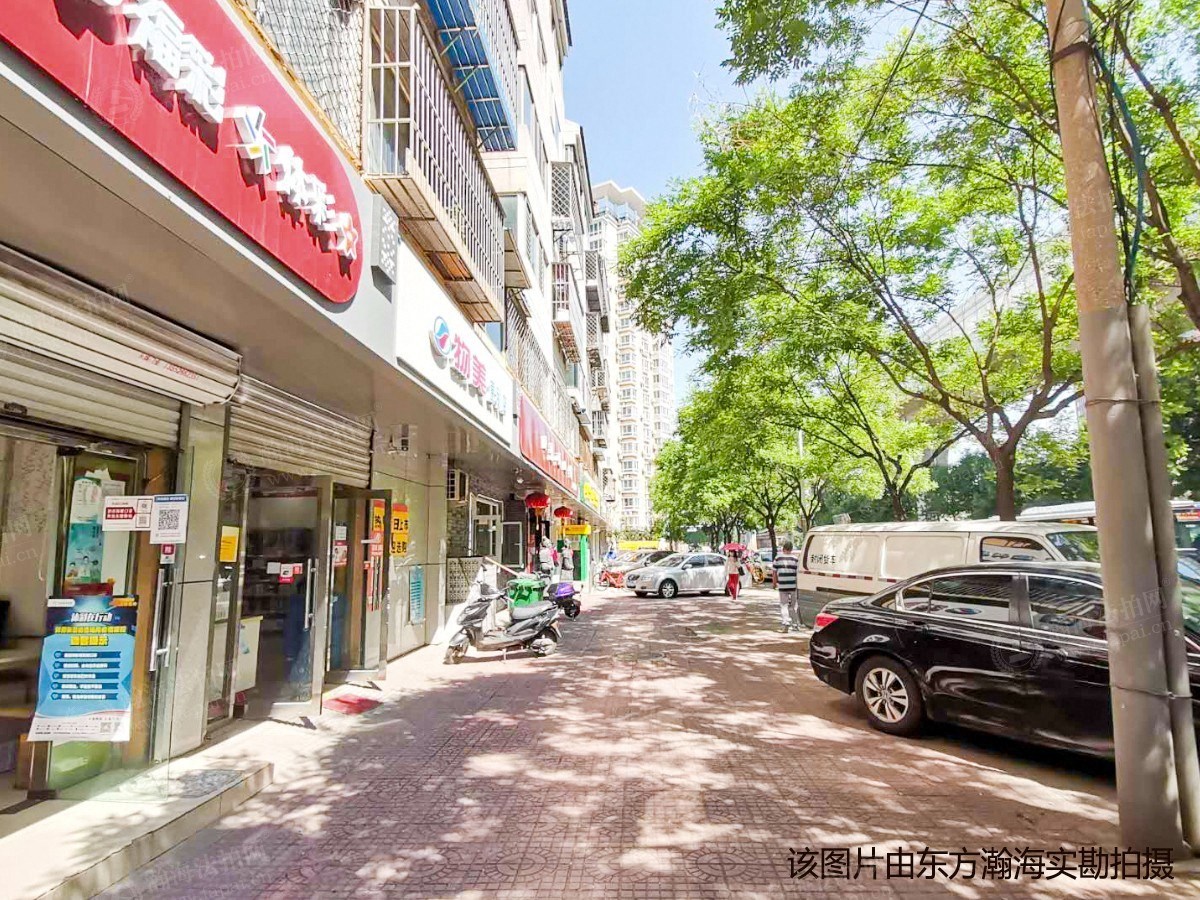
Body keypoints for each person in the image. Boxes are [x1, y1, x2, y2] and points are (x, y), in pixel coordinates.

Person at [772, 540, 802, 632]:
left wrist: (774, 583)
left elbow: (774, 572)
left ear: (783, 548)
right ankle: (795, 625)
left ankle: (786, 622)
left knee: (784, 605)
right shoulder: (795, 559)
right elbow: (798, 574)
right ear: (791, 549)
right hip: (793, 585)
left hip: (782, 585)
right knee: (793, 606)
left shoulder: (778, 558)